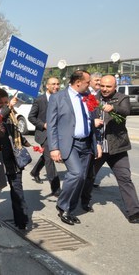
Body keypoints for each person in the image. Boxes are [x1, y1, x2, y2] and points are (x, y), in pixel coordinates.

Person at [81, 75, 139, 223]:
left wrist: (114, 108)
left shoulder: (122, 98)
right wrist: (92, 122)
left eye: (109, 87)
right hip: (98, 147)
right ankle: (85, 201)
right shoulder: (92, 98)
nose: (105, 89)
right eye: (103, 86)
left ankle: (134, 212)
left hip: (117, 148)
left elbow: (126, 110)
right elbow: (84, 117)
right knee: (89, 176)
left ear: (115, 87)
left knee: (125, 178)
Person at [47, 70, 102, 225]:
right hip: (69, 143)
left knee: (82, 177)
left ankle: (69, 209)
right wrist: (54, 148)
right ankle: (62, 205)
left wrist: (97, 143)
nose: (90, 84)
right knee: (76, 173)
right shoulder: (58, 98)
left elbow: (92, 122)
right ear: (78, 82)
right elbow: (51, 125)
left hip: (86, 143)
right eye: (87, 82)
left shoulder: (88, 98)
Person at [0, 89, 31, 230]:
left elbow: (14, 129)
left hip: (12, 156)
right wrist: (8, 107)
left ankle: (21, 220)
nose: (4, 105)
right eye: (2, 102)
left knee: (17, 188)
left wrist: (24, 142)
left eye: (6, 102)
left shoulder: (10, 114)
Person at [28, 77, 62, 196]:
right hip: (45, 134)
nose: (56, 86)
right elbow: (31, 117)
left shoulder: (61, 98)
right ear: (47, 86)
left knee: (46, 156)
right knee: (50, 159)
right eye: (53, 84)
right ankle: (56, 188)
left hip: (58, 134)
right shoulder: (40, 100)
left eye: (58, 84)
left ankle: (35, 171)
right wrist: (44, 125)